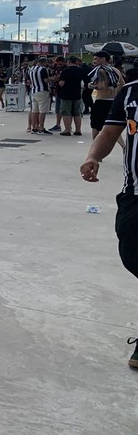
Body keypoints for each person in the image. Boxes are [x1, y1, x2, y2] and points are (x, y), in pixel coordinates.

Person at [80, 76, 138, 369]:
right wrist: (94, 156)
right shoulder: (129, 93)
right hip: (135, 195)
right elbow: (109, 131)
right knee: (132, 256)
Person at [89, 50, 124, 147]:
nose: (94, 61)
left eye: (96, 59)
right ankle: (124, 146)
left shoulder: (101, 70)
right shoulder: (116, 71)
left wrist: (91, 86)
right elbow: (123, 86)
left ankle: (95, 152)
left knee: (96, 127)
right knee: (112, 127)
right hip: (113, 102)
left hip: (101, 101)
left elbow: (101, 86)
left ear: (103, 59)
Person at [57, 56, 86, 136]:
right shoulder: (80, 70)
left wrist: (58, 82)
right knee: (77, 113)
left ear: (69, 62)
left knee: (66, 113)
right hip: (77, 93)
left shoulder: (65, 71)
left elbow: (62, 83)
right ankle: (78, 130)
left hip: (66, 94)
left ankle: (67, 130)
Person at [26, 56, 51, 134]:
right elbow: (46, 80)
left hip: (33, 90)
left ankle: (34, 128)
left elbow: (29, 81)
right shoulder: (43, 69)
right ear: (44, 62)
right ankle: (41, 128)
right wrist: (52, 79)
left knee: (34, 110)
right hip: (42, 90)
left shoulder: (31, 69)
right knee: (42, 111)